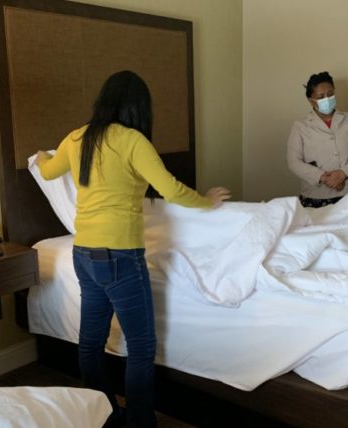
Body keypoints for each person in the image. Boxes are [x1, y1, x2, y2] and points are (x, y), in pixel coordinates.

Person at [36, 70, 230, 427]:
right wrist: (206, 201)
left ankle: (104, 414)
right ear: (138, 107)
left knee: (90, 342)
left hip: (84, 255)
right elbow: (170, 189)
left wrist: (40, 156)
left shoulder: (77, 137)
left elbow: (48, 172)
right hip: (121, 257)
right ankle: (140, 422)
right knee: (141, 346)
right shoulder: (132, 141)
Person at [287, 71, 348, 208]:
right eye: (321, 96)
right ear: (310, 100)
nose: (327, 99)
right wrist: (323, 177)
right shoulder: (300, 126)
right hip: (314, 196)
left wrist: (343, 173)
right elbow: (293, 162)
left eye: (330, 94)